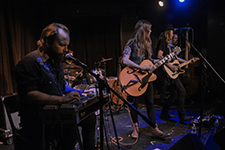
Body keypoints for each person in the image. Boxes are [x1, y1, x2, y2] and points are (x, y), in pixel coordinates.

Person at [14, 23, 96, 150]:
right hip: (39, 122)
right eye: (62, 45)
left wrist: (78, 92)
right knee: (70, 129)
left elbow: (61, 86)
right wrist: (62, 100)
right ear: (46, 42)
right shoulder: (28, 63)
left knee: (89, 117)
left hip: (55, 115)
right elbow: (29, 94)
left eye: (67, 45)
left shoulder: (55, 62)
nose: (65, 49)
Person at [122, 20, 170, 139]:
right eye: (148, 29)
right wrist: (140, 67)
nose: (150, 31)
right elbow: (125, 60)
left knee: (150, 103)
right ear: (142, 30)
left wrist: (163, 61)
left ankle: (154, 129)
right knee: (134, 104)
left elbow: (150, 61)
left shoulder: (148, 44)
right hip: (133, 78)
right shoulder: (131, 43)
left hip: (146, 78)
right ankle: (136, 129)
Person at [156, 24, 194, 123]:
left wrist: (186, 61)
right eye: (172, 31)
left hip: (170, 71)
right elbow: (159, 56)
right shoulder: (162, 41)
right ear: (169, 32)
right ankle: (182, 117)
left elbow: (174, 58)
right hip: (167, 70)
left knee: (174, 93)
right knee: (182, 91)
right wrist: (171, 66)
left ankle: (164, 113)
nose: (173, 33)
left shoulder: (168, 44)